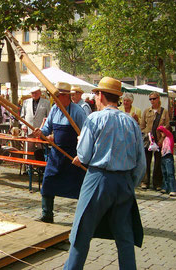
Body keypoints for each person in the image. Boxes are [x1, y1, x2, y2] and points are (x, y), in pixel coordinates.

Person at [63, 77, 146, 270]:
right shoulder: (131, 122)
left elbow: (83, 155)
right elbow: (141, 164)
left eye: (96, 94)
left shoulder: (95, 118)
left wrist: (79, 143)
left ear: (100, 95)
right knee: (125, 237)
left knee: (81, 233)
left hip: (98, 179)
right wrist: (128, 183)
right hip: (124, 182)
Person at [33, 82, 87, 223]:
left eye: (57, 96)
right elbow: (47, 129)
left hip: (73, 156)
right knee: (48, 182)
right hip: (56, 154)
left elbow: (86, 135)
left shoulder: (78, 112)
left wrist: (81, 155)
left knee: (79, 188)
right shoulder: (55, 110)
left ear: (66, 96)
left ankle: (83, 218)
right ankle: (47, 215)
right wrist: (40, 132)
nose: (54, 99)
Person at [140, 91, 169, 190]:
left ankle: (157, 183)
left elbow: (167, 127)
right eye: (150, 99)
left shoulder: (164, 112)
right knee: (146, 161)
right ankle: (145, 181)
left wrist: (161, 139)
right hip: (148, 140)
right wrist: (146, 134)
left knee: (158, 163)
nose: (152, 101)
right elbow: (142, 125)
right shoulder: (146, 111)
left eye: (154, 98)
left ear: (158, 99)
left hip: (159, 139)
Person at [156, 125, 176, 196]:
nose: (162, 133)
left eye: (163, 132)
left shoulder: (170, 136)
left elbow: (159, 128)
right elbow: (159, 145)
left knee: (170, 173)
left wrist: (163, 127)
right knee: (164, 173)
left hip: (168, 156)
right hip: (163, 157)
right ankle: (165, 187)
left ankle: (173, 189)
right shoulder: (164, 138)